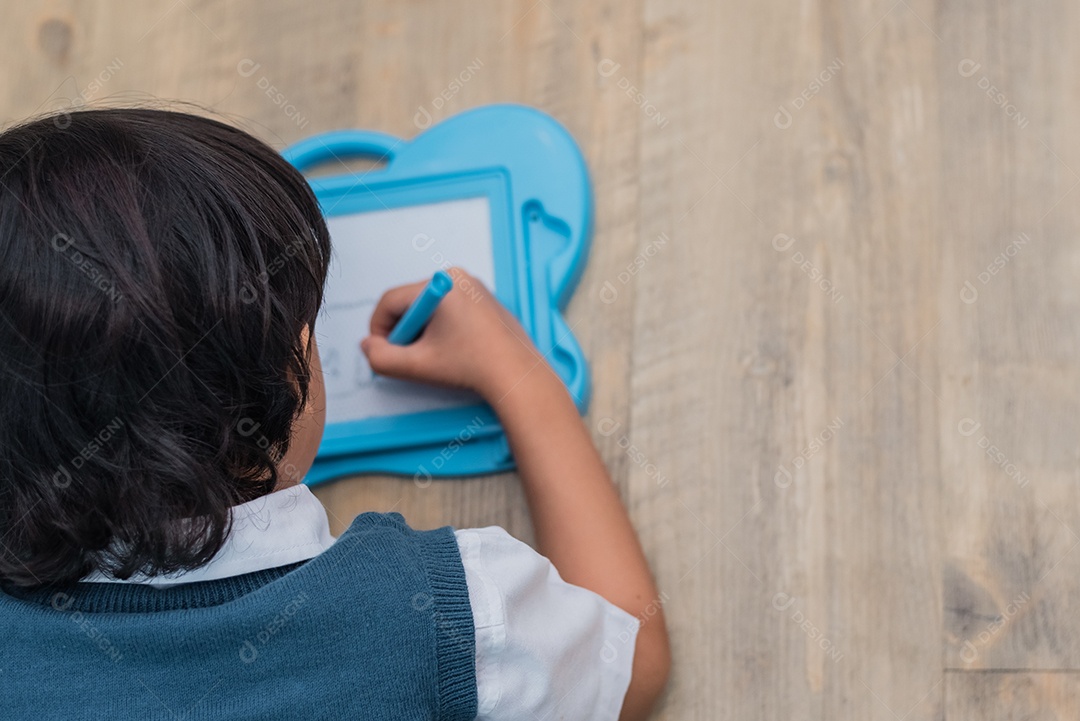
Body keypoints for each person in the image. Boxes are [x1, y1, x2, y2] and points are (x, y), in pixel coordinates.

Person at [0, 108, 670, 720]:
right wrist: (518, 374)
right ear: (265, 398)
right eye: (307, 325)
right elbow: (628, 659)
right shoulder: (432, 612)